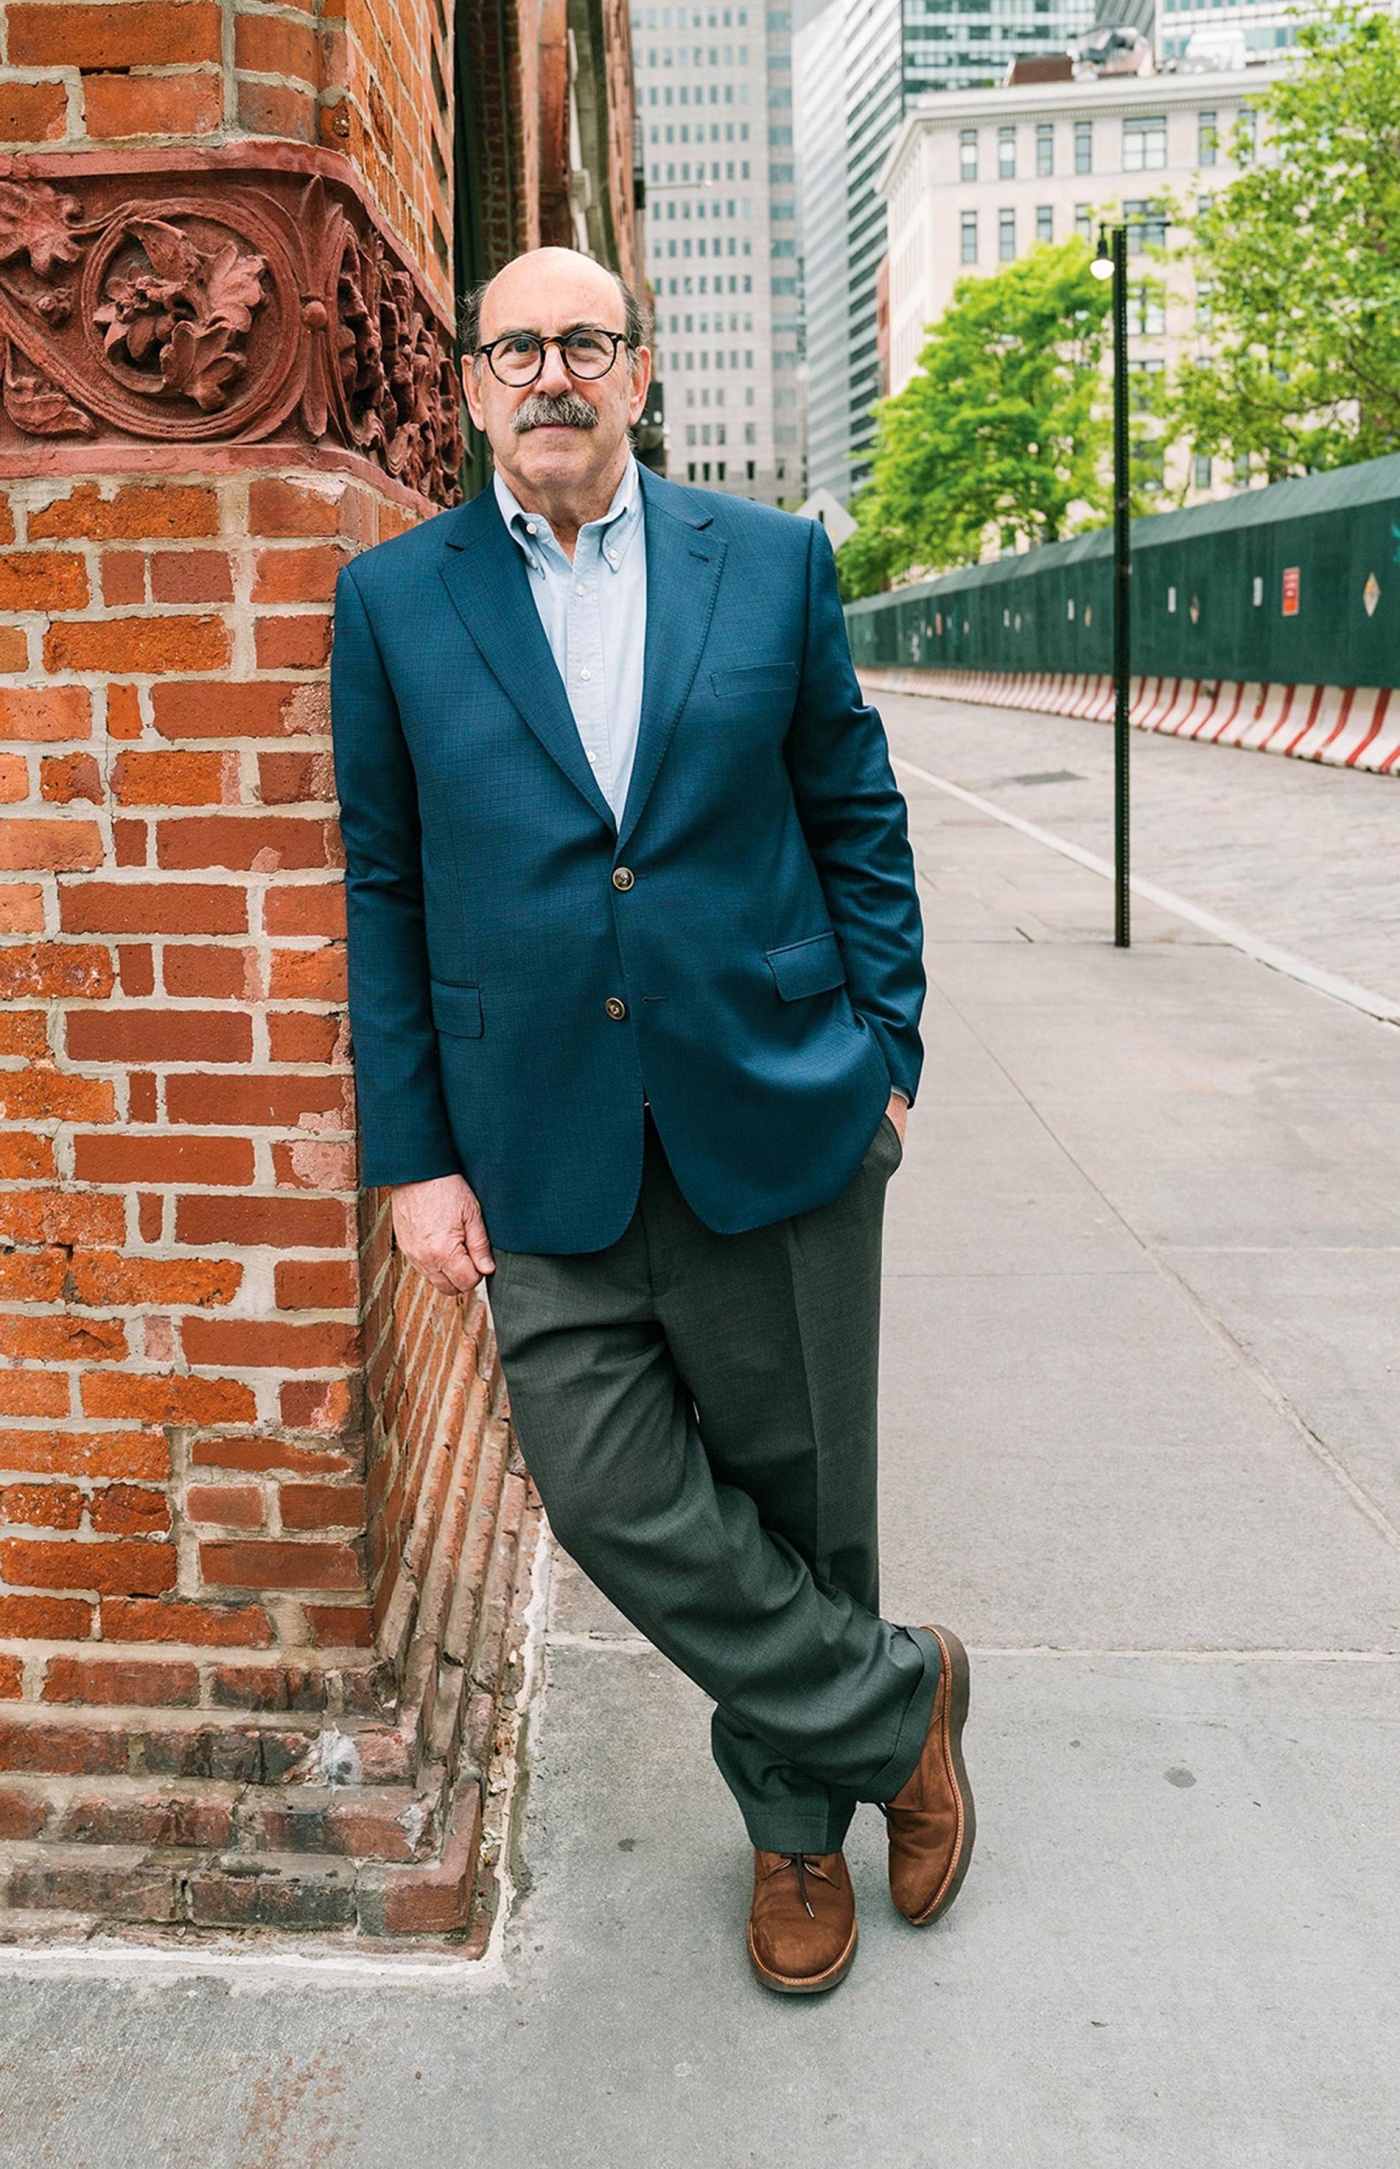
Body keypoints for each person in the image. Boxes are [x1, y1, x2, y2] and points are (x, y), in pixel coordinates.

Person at [330, 246, 974, 1993]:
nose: (552, 372)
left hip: (776, 1110)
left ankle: (794, 1832)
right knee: (608, 1490)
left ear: (639, 370)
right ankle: (899, 1706)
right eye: (516, 347)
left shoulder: (767, 561)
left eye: (585, 342)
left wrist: (887, 1053)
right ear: (472, 385)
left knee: (800, 1495)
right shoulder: (392, 601)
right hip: (534, 1138)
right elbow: (384, 883)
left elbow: (854, 811)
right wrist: (413, 1153)